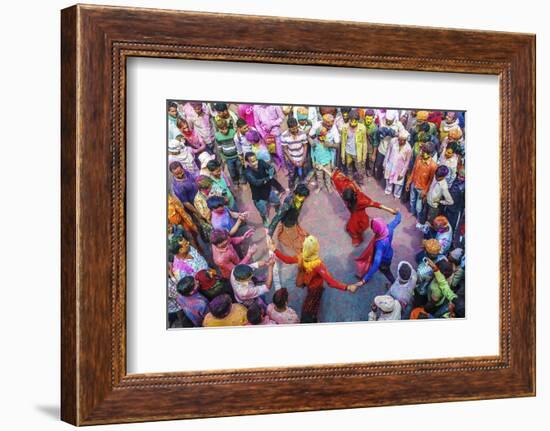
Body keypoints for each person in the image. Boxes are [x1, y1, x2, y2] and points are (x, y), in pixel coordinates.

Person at [268, 235, 359, 323]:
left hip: (307, 282)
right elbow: (331, 282)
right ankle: (312, 319)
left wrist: (274, 249)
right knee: (311, 306)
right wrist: (347, 287)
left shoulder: (301, 257)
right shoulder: (318, 265)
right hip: (316, 288)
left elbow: (286, 260)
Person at [319, 166, 396, 246]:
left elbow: (376, 204)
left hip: (359, 216)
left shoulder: (361, 200)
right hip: (353, 213)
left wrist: (391, 210)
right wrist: (323, 168)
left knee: (354, 227)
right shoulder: (345, 187)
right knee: (351, 226)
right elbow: (333, 176)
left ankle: (358, 239)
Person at [356, 212, 402, 285]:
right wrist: (398, 213)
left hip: (384, 260)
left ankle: (394, 283)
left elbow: (376, 263)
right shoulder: (389, 228)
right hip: (389, 254)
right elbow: (397, 220)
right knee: (381, 267)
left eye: (373, 229)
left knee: (386, 272)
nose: (373, 231)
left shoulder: (380, 244)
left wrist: (364, 280)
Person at [244, 152, 284, 226]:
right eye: (253, 161)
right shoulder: (247, 173)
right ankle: (264, 219)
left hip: (268, 190)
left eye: (256, 160)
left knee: (277, 201)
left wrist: (272, 169)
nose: (256, 162)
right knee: (263, 211)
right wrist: (269, 177)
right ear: (247, 162)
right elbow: (257, 183)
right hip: (258, 197)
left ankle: (277, 209)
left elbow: (270, 168)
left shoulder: (261, 162)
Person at [268, 184, 310, 254]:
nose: (305, 199)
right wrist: (269, 235)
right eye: (304, 197)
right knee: (295, 238)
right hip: (289, 223)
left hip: (293, 219)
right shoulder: (288, 203)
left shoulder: (300, 198)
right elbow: (277, 218)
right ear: (297, 194)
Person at [405, 142, 438, 221]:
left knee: (418, 206)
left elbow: (431, 181)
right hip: (414, 184)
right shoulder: (418, 158)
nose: (422, 153)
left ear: (430, 154)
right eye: (422, 151)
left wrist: (425, 191)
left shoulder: (433, 166)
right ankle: (412, 213)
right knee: (412, 200)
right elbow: (413, 171)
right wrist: (408, 182)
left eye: (425, 153)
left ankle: (418, 218)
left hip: (422, 189)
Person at [280, 117, 308, 190]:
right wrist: (292, 160)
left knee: (302, 172)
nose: (295, 130)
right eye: (293, 129)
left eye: (296, 128)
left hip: (301, 157)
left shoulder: (302, 133)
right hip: (291, 158)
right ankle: (291, 181)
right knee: (291, 173)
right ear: (289, 128)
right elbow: (285, 149)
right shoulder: (284, 135)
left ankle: (301, 181)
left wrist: (302, 159)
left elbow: (305, 146)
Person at [383, 129, 412, 199]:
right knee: (388, 180)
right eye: (400, 140)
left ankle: (397, 195)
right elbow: (388, 152)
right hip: (390, 164)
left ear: (406, 140)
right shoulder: (393, 141)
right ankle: (388, 190)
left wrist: (402, 173)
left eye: (403, 140)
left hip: (400, 167)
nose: (401, 141)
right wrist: (385, 163)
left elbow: (407, 162)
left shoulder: (408, 148)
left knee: (398, 183)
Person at [373, 110, 402, 181]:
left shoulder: (398, 124)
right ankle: (377, 178)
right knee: (379, 164)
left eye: (390, 121)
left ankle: (386, 180)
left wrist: (395, 134)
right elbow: (377, 137)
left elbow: (405, 135)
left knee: (388, 167)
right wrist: (379, 132)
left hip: (392, 151)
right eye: (387, 120)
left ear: (393, 119)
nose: (388, 122)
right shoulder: (382, 121)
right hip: (382, 149)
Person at [340, 110, 368, 183]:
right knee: (349, 168)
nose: (353, 123)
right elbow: (343, 142)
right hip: (348, 152)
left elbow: (364, 143)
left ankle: (360, 181)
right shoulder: (344, 128)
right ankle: (350, 180)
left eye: (355, 121)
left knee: (360, 169)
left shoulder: (362, 128)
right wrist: (343, 155)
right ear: (349, 120)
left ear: (358, 121)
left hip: (357, 153)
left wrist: (364, 156)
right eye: (351, 121)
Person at [215, 118, 242, 185]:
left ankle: (242, 178)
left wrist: (240, 153)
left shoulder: (232, 132)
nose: (225, 130)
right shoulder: (217, 136)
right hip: (227, 157)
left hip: (236, 155)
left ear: (227, 126)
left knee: (240, 167)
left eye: (225, 128)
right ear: (218, 129)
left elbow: (238, 143)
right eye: (222, 129)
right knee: (231, 169)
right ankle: (235, 179)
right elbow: (219, 147)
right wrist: (223, 157)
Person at [311, 127, 334, 193]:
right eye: (321, 136)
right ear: (318, 135)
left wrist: (332, 161)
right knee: (319, 176)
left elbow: (331, 151)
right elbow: (312, 152)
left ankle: (328, 187)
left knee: (328, 176)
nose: (323, 137)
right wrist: (313, 161)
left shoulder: (327, 141)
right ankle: (319, 187)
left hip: (327, 162)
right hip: (318, 163)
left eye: (324, 135)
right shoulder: (315, 142)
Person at [364, 109, 379, 177]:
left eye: (371, 119)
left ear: (373, 118)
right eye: (367, 119)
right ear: (365, 117)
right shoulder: (362, 123)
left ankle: (370, 171)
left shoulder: (374, 128)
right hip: (363, 145)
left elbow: (375, 142)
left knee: (370, 160)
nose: (369, 121)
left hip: (370, 147)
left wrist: (374, 154)